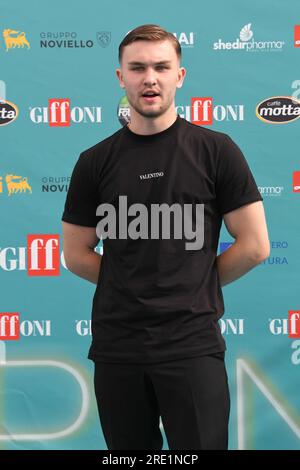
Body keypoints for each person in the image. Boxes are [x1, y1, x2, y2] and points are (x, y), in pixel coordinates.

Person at [61, 24, 270, 450]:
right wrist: (130, 281)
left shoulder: (216, 150)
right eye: (137, 68)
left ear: (180, 75)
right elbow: (76, 254)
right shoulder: (93, 162)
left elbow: (255, 246)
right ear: (121, 77)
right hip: (118, 349)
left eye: (161, 66)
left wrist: (193, 282)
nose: (149, 78)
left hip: (191, 346)